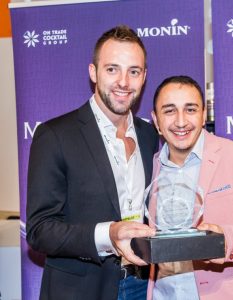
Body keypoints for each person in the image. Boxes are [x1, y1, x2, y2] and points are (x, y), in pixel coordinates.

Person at [26, 25, 159, 300]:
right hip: (81, 291)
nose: (123, 82)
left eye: (133, 71)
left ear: (144, 77)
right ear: (93, 72)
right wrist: (108, 234)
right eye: (112, 69)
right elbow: (39, 230)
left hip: (142, 286)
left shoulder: (148, 136)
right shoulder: (55, 135)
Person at [147, 75, 233, 300]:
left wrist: (222, 240)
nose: (181, 121)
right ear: (156, 120)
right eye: (169, 111)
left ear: (204, 115)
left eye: (190, 109)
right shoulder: (150, 166)